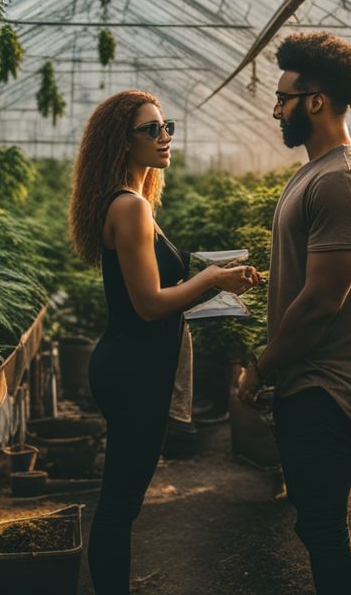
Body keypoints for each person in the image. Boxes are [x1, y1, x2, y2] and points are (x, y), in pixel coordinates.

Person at [69, 90, 259, 595]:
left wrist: (211, 287)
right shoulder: (129, 207)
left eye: (166, 126)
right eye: (151, 130)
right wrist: (212, 279)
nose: (165, 137)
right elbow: (150, 304)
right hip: (133, 371)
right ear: (121, 141)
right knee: (119, 506)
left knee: (122, 501)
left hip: (131, 363)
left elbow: (159, 301)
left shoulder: (132, 203)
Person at [236, 33, 351, 595]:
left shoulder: (341, 180)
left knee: (322, 528)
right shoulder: (316, 173)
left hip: (330, 385)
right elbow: (318, 277)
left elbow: (324, 301)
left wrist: (261, 367)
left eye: (284, 98)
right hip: (314, 380)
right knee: (315, 522)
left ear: (317, 101)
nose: (277, 109)